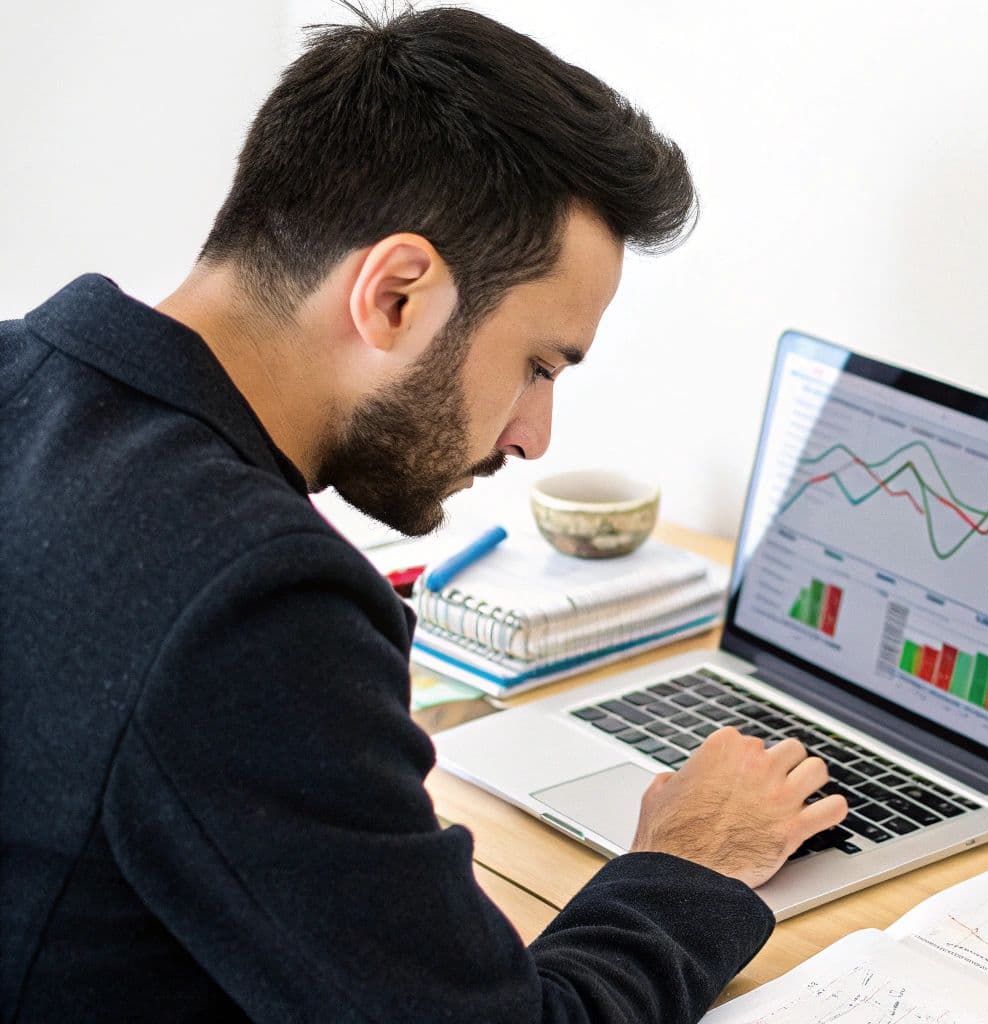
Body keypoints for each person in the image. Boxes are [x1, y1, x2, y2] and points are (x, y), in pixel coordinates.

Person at [0, 5, 846, 1022]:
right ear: (397, 294)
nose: (533, 435)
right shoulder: (248, 603)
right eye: (537, 365)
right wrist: (689, 862)